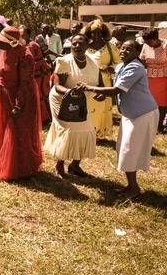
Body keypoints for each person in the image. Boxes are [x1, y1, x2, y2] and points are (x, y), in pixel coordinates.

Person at [80, 40, 159, 199]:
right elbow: (120, 90)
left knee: (129, 150)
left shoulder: (136, 67)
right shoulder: (121, 66)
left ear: (137, 53)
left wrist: (89, 88)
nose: (123, 51)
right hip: (131, 113)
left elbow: (117, 89)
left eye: (129, 50)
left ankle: (133, 188)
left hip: (142, 114)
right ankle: (130, 185)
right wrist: (104, 93)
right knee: (124, 148)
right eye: (122, 48)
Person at [0, 26, 43, 180]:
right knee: (4, 129)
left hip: (20, 96)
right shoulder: (4, 51)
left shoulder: (26, 56)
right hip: (4, 94)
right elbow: (2, 71)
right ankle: (1, 160)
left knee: (17, 130)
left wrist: (18, 104)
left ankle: (19, 167)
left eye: (2, 41)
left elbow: (25, 83)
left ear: (13, 43)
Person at [44, 34, 101, 178]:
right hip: (61, 100)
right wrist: (72, 92)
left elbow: (100, 84)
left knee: (87, 130)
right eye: (74, 43)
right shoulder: (64, 61)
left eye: (81, 43)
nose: (77, 46)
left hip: (82, 101)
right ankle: (59, 165)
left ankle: (75, 165)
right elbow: (58, 86)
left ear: (88, 45)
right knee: (68, 130)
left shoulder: (94, 61)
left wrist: (99, 94)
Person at [83, 19, 121, 137]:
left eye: (99, 32)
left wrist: (110, 68)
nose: (97, 35)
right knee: (89, 106)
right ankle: (88, 132)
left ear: (103, 32)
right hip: (88, 80)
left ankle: (100, 132)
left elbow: (119, 62)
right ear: (90, 33)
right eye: (94, 33)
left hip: (105, 81)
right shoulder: (85, 46)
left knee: (102, 107)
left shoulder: (110, 47)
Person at [138, 27, 167, 132]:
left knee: (162, 103)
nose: (148, 44)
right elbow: (142, 59)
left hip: (164, 78)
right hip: (149, 78)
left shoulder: (165, 45)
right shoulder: (146, 45)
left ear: (157, 38)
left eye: (150, 41)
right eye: (146, 41)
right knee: (150, 102)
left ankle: (160, 125)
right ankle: (150, 124)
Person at [22, 25, 52, 124]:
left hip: (40, 72)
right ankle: (39, 117)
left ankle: (45, 118)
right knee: (37, 95)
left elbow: (34, 59)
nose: (20, 35)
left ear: (27, 34)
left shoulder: (32, 45)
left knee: (42, 95)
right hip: (36, 72)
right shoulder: (25, 44)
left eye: (22, 33)